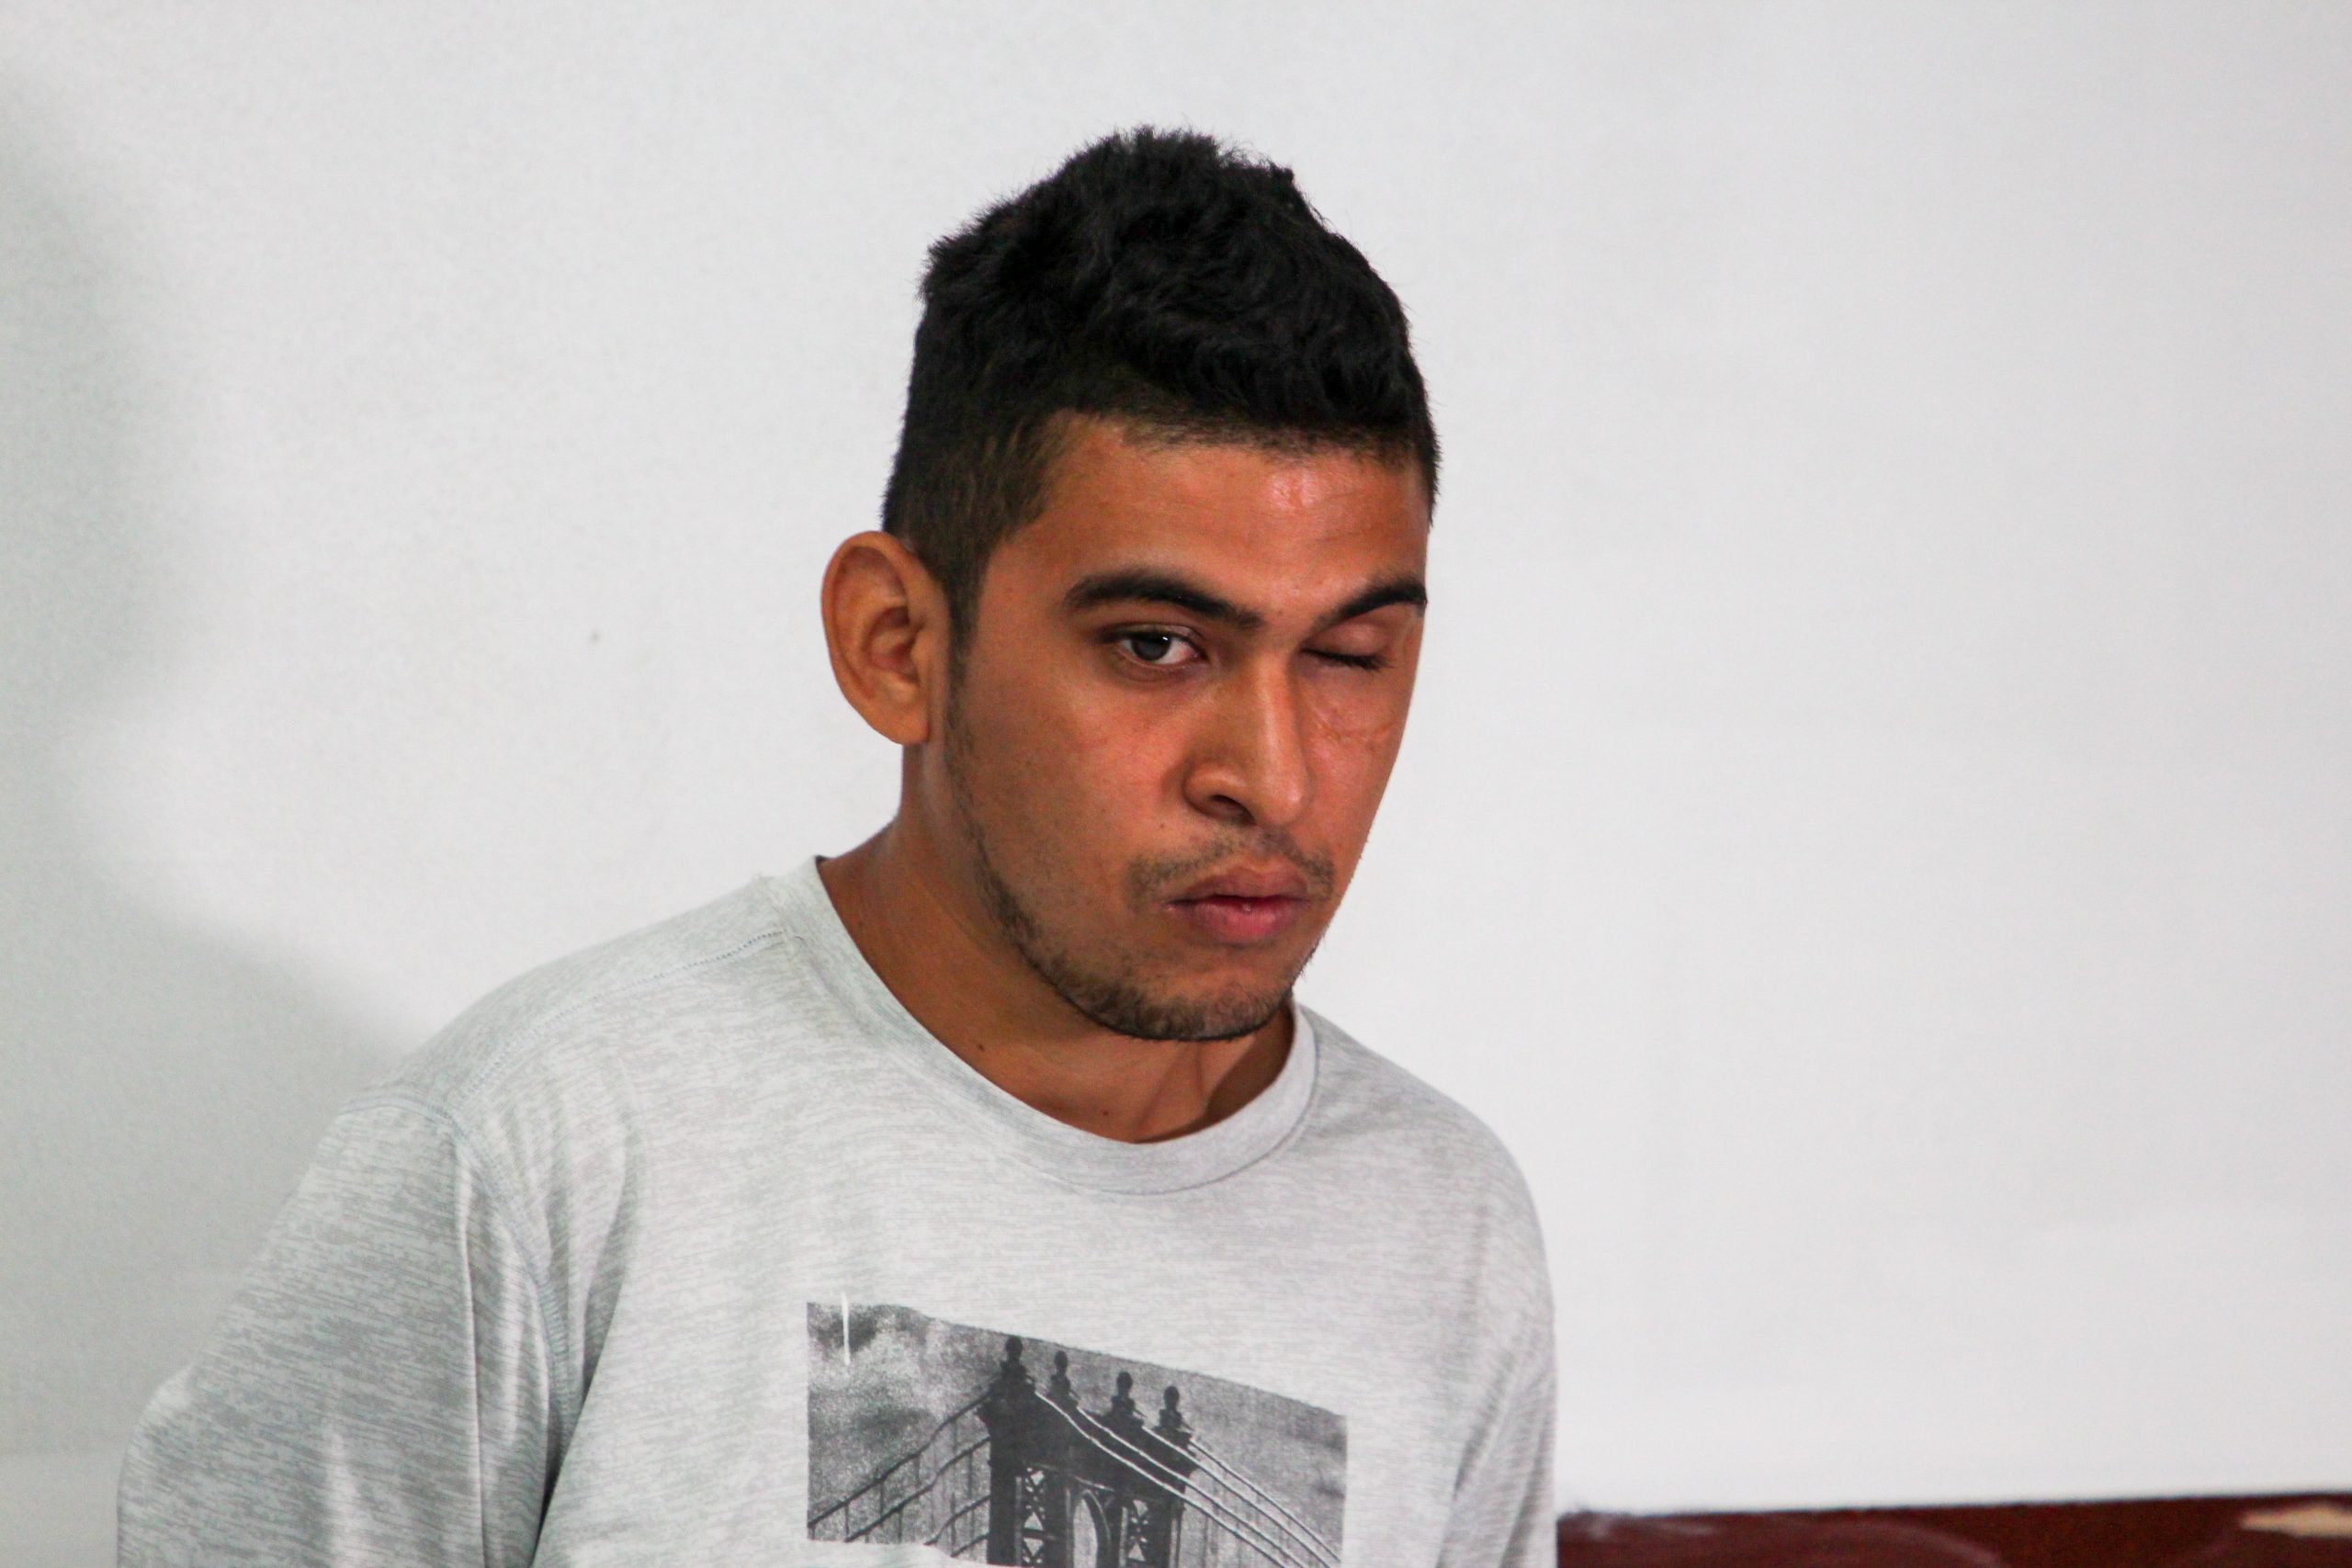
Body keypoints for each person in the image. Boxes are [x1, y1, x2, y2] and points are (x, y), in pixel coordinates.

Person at [119, 127, 1555, 1567]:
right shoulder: (535, 1157)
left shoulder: (1446, 1232)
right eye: (1155, 645)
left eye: (1350, 656)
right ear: (897, 645)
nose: (1275, 777)